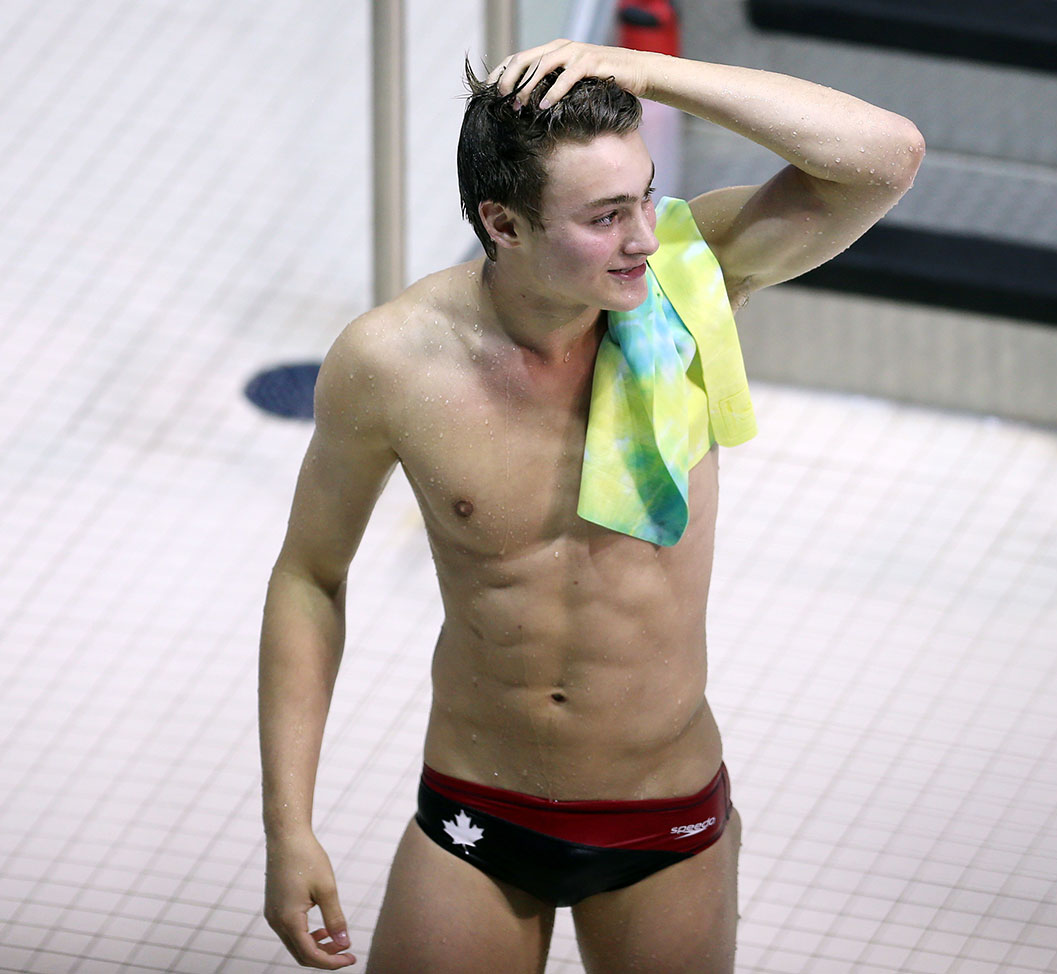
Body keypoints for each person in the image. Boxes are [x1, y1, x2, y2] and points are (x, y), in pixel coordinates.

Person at [259, 38, 923, 973]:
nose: (646, 237)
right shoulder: (394, 365)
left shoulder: (697, 280)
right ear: (504, 223)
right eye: (606, 215)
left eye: (646, 196)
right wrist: (289, 828)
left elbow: (884, 156)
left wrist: (649, 74)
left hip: (664, 813)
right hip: (476, 805)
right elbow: (308, 578)